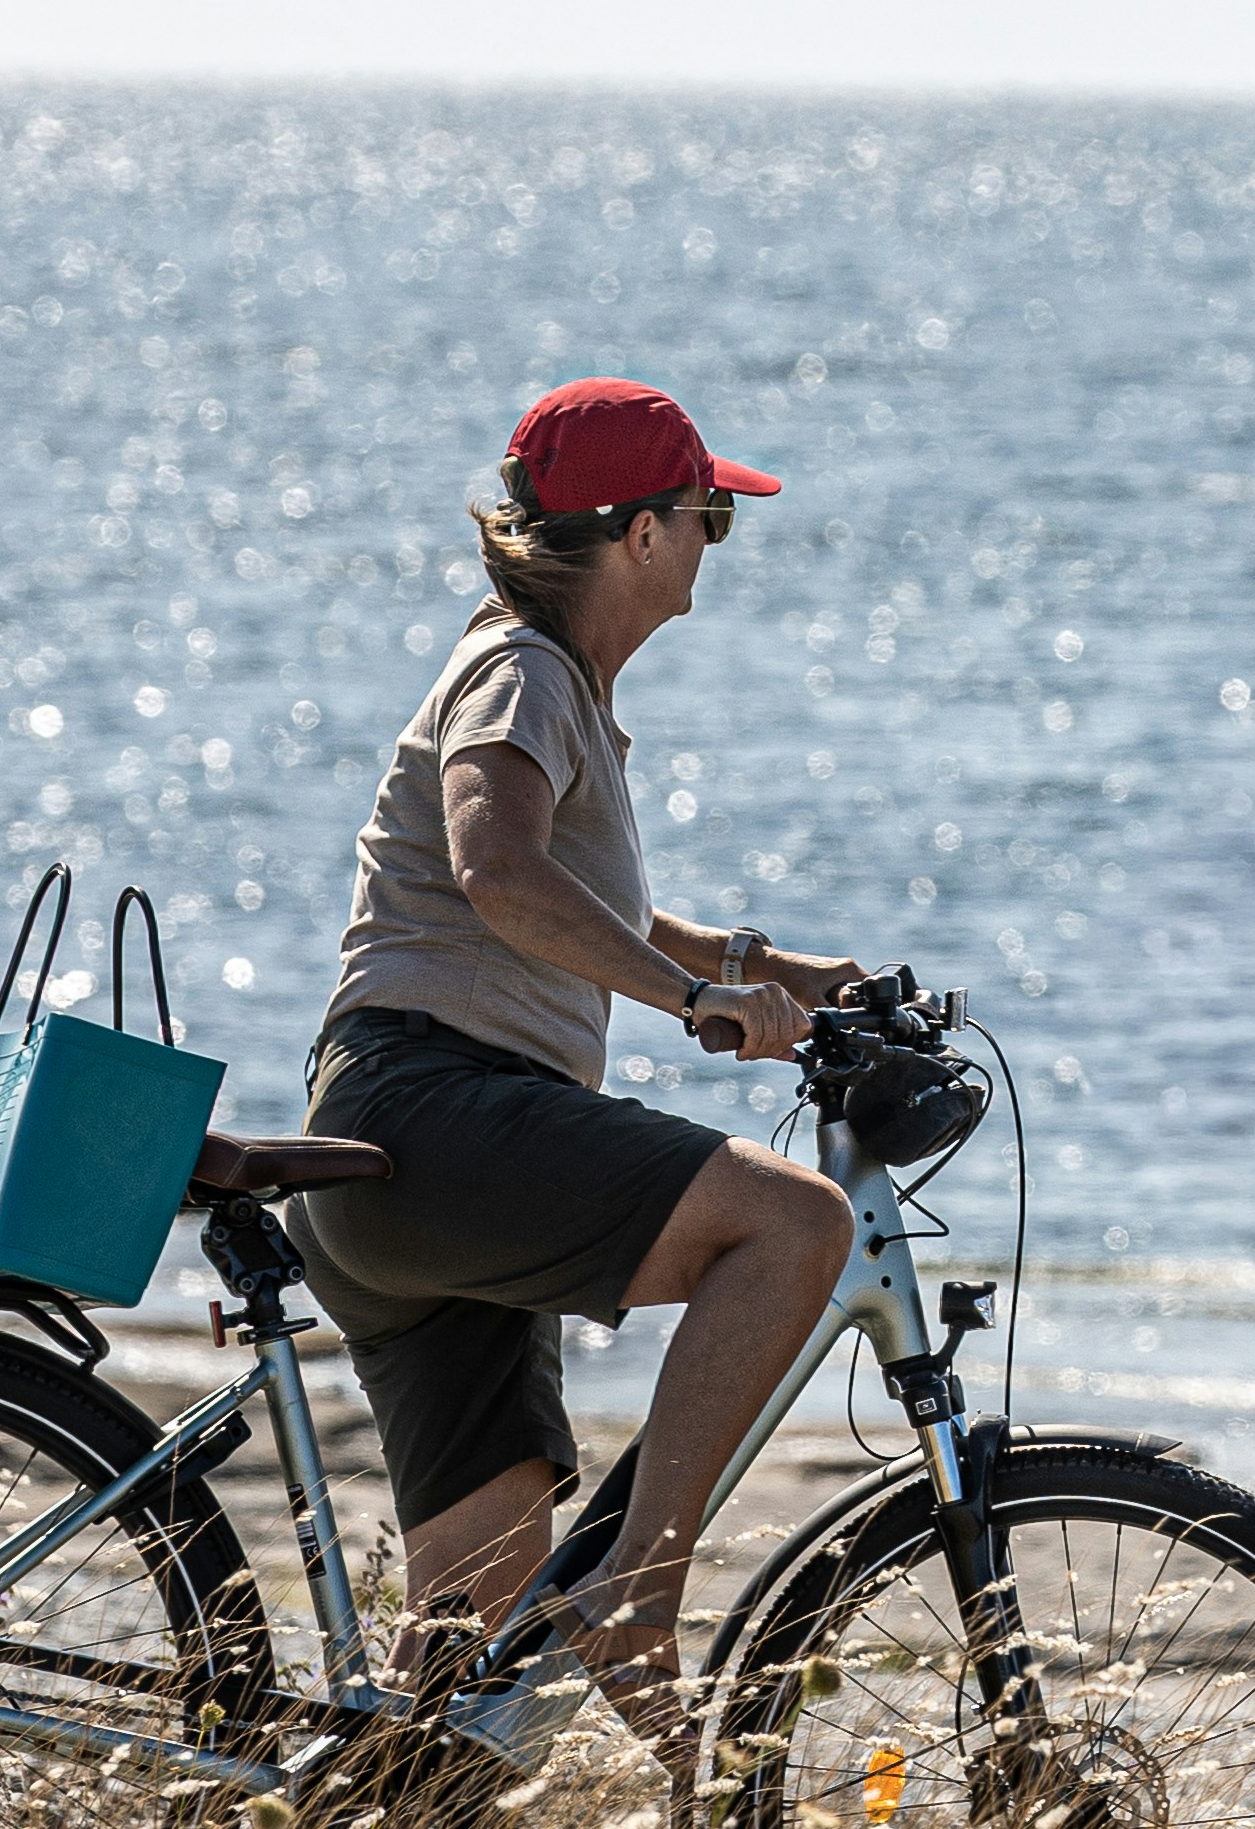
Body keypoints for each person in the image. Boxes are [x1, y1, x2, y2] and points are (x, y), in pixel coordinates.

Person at [292, 378, 864, 1741]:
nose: (716, 542)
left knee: (466, 1685)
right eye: (709, 517)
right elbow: (496, 869)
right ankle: (639, 1593)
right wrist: (688, 1003)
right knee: (794, 1226)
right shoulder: (521, 672)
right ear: (642, 535)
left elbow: (560, 884)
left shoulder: (546, 678)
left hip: (405, 1167)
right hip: (437, 1118)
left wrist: (758, 969)